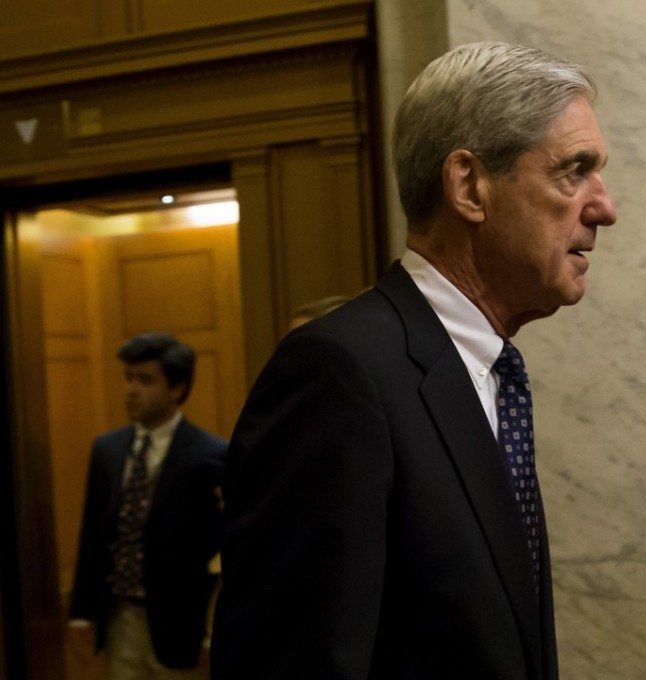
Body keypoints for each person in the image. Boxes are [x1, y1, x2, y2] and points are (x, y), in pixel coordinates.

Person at [211, 41, 617, 679]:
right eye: (573, 170)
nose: (604, 207)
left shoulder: (489, 372)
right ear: (469, 186)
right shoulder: (338, 374)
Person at [69, 332, 227, 679]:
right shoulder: (107, 450)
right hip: (121, 617)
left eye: (145, 380)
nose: (131, 390)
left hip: (181, 623)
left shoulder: (211, 454)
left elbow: (221, 549)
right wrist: (82, 612)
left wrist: (213, 631)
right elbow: (93, 531)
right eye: (128, 378)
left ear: (177, 388)